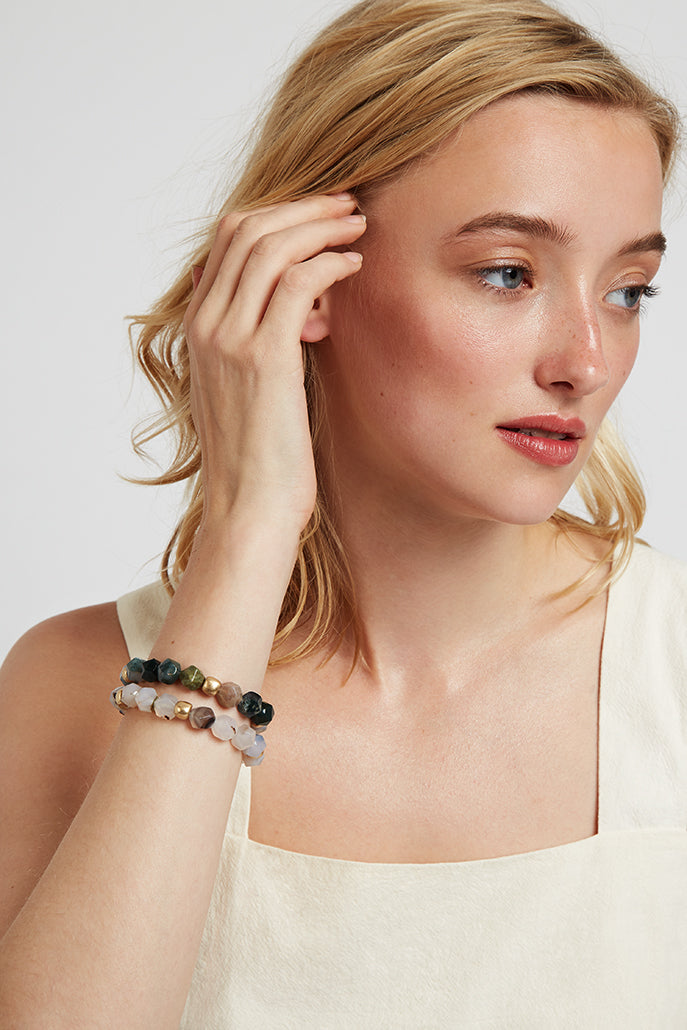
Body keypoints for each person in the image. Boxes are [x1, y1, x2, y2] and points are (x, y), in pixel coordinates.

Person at [1, 0, 685, 1025]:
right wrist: (247, 530)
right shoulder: (68, 689)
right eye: (507, 273)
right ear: (305, 279)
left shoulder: (672, 667)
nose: (586, 361)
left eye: (629, 290)